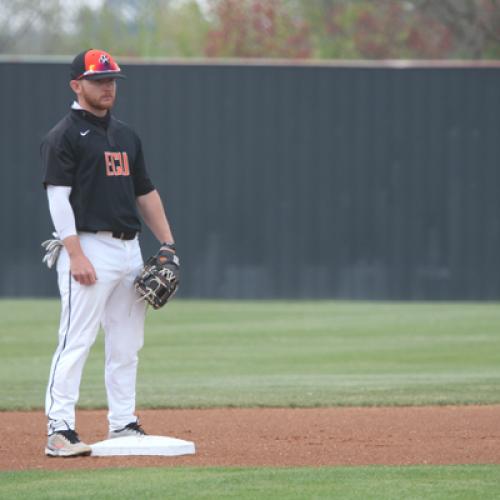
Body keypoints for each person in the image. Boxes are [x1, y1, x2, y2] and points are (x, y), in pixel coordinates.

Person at [40, 49, 178, 457]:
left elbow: (145, 193)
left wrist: (168, 245)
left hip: (128, 249)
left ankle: (122, 423)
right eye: (98, 80)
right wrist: (75, 253)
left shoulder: (126, 136)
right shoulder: (62, 135)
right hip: (88, 246)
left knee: (126, 342)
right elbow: (57, 199)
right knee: (75, 339)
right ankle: (59, 429)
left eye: (112, 79)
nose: (107, 86)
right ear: (76, 85)